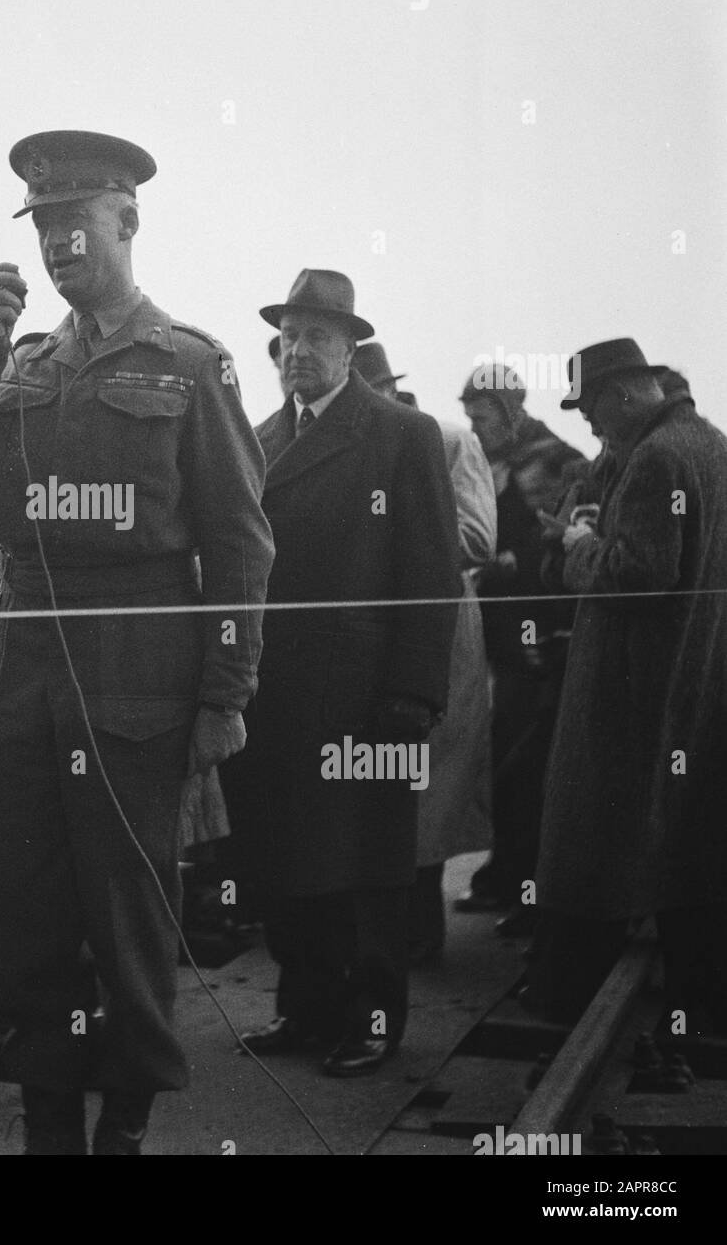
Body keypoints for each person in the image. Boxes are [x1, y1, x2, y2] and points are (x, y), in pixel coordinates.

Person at [0, 130, 274, 1154]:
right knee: (23, 905)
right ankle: (45, 1126)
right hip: (21, 649)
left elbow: (241, 544)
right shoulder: (19, 361)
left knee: (125, 910)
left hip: (138, 656)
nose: (58, 246)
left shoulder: (190, 364)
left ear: (126, 220)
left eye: (76, 223)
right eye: (42, 228)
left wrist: (224, 693)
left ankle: (121, 1123)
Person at [223, 270, 459, 1076]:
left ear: (351, 348)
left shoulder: (403, 434)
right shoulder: (258, 439)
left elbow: (432, 572)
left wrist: (416, 691)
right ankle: (307, 1009)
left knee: (369, 865)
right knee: (291, 860)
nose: (298, 351)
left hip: (369, 699)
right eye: (288, 337)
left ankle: (374, 1021)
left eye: (317, 336)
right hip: (280, 695)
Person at [528, 339, 727, 1029]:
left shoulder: (658, 456)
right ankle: (698, 999)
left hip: (633, 680)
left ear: (622, 395)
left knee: (595, 838)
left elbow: (639, 576)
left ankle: (563, 993)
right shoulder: (707, 444)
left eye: (589, 410)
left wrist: (577, 546)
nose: (588, 425)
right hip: (694, 674)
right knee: (688, 846)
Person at [351, 342, 496, 962]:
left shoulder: (448, 440)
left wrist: (388, 539)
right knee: (378, 783)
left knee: (428, 783)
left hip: (438, 630)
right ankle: (384, 943)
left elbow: (477, 539)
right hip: (371, 635)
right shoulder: (354, 448)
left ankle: (419, 939)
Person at [457, 365, 581, 933]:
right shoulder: (494, 458)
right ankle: (506, 878)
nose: (474, 429)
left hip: (539, 636)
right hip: (503, 632)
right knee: (505, 756)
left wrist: (509, 564)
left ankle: (524, 889)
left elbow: (559, 551)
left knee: (524, 764)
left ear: (507, 410)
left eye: (481, 417)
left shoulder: (551, 462)